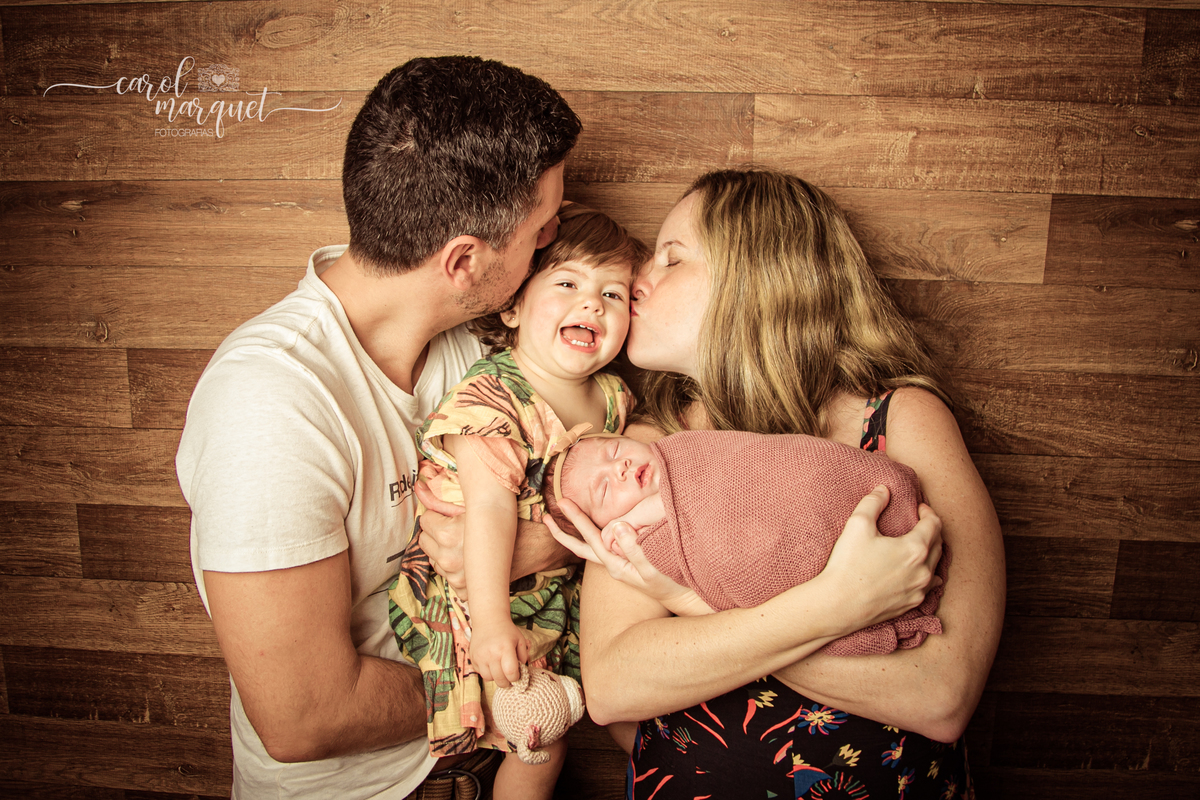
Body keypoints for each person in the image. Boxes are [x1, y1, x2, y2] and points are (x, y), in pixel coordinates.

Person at [175, 56, 581, 799]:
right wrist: (510, 695)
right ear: (462, 259)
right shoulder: (268, 405)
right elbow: (304, 716)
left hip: (490, 758)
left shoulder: (479, 342)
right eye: (542, 225)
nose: (555, 236)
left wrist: (545, 536)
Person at [551, 169, 1005, 799]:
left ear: (758, 281)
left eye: (671, 259)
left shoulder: (898, 422)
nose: (636, 281)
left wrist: (696, 610)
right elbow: (614, 683)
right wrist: (836, 607)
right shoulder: (642, 451)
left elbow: (940, 694)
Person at [387, 204, 648, 799]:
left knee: (626, 698)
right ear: (513, 306)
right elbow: (488, 512)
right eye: (567, 284)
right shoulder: (493, 397)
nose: (592, 305)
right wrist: (492, 625)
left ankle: (685, 770)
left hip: (557, 588)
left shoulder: (612, 398)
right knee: (539, 736)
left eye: (613, 294)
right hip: (473, 597)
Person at [541, 427, 949, 657]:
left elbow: (756, 462)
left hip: (832, 496)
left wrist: (635, 512)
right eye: (605, 489)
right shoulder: (645, 548)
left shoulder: (683, 448)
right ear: (603, 529)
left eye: (614, 451)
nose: (622, 467)